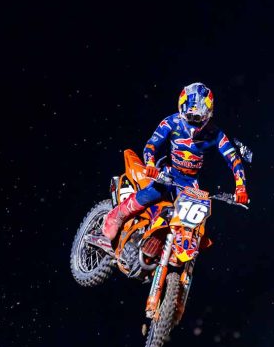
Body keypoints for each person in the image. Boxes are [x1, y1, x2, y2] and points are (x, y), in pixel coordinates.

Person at [102, 82, 249, 245]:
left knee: (193, 223)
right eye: (190, 116)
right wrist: (150, 164)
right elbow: (151, 145)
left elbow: (234, 159)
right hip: (167, 172)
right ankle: (117, 215)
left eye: (198, 117)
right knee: (153, 193)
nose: (193, 121)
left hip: (190, 183)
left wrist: (240, 186)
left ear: (208, 113)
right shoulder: (171, 122)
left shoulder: (216, 135)